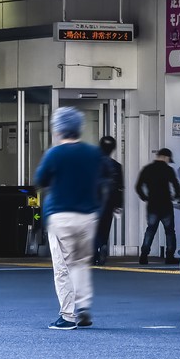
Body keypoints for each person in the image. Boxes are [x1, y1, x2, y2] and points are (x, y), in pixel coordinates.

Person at [35, 107, 104, 329]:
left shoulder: (55, 154)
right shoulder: (93, 153)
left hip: (61, 215)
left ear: (58, 130)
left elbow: (41, 180)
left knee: (63, 266)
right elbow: (102, 177)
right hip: (88, 215)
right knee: (80, 263)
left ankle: (67, 315)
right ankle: (83, 305)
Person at [134, 148, 180, 264]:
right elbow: (176, 187)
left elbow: (138, 186)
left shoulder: (147, 169)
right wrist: (175, 196)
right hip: (166, 205)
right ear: (166, 157)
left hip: (152, 205)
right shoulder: (168, 170)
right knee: (169, 231)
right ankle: (169, 256)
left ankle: (144, 255)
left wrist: (146, 198)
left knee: (150, 230)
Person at [92, 135, 123, 265]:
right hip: (109, 202)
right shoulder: (116, 166)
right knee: (105, 227)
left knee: (92, 228)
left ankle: (94, 253)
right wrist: (118, 204)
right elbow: (120, 187)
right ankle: (103, 245)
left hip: (92, 202)